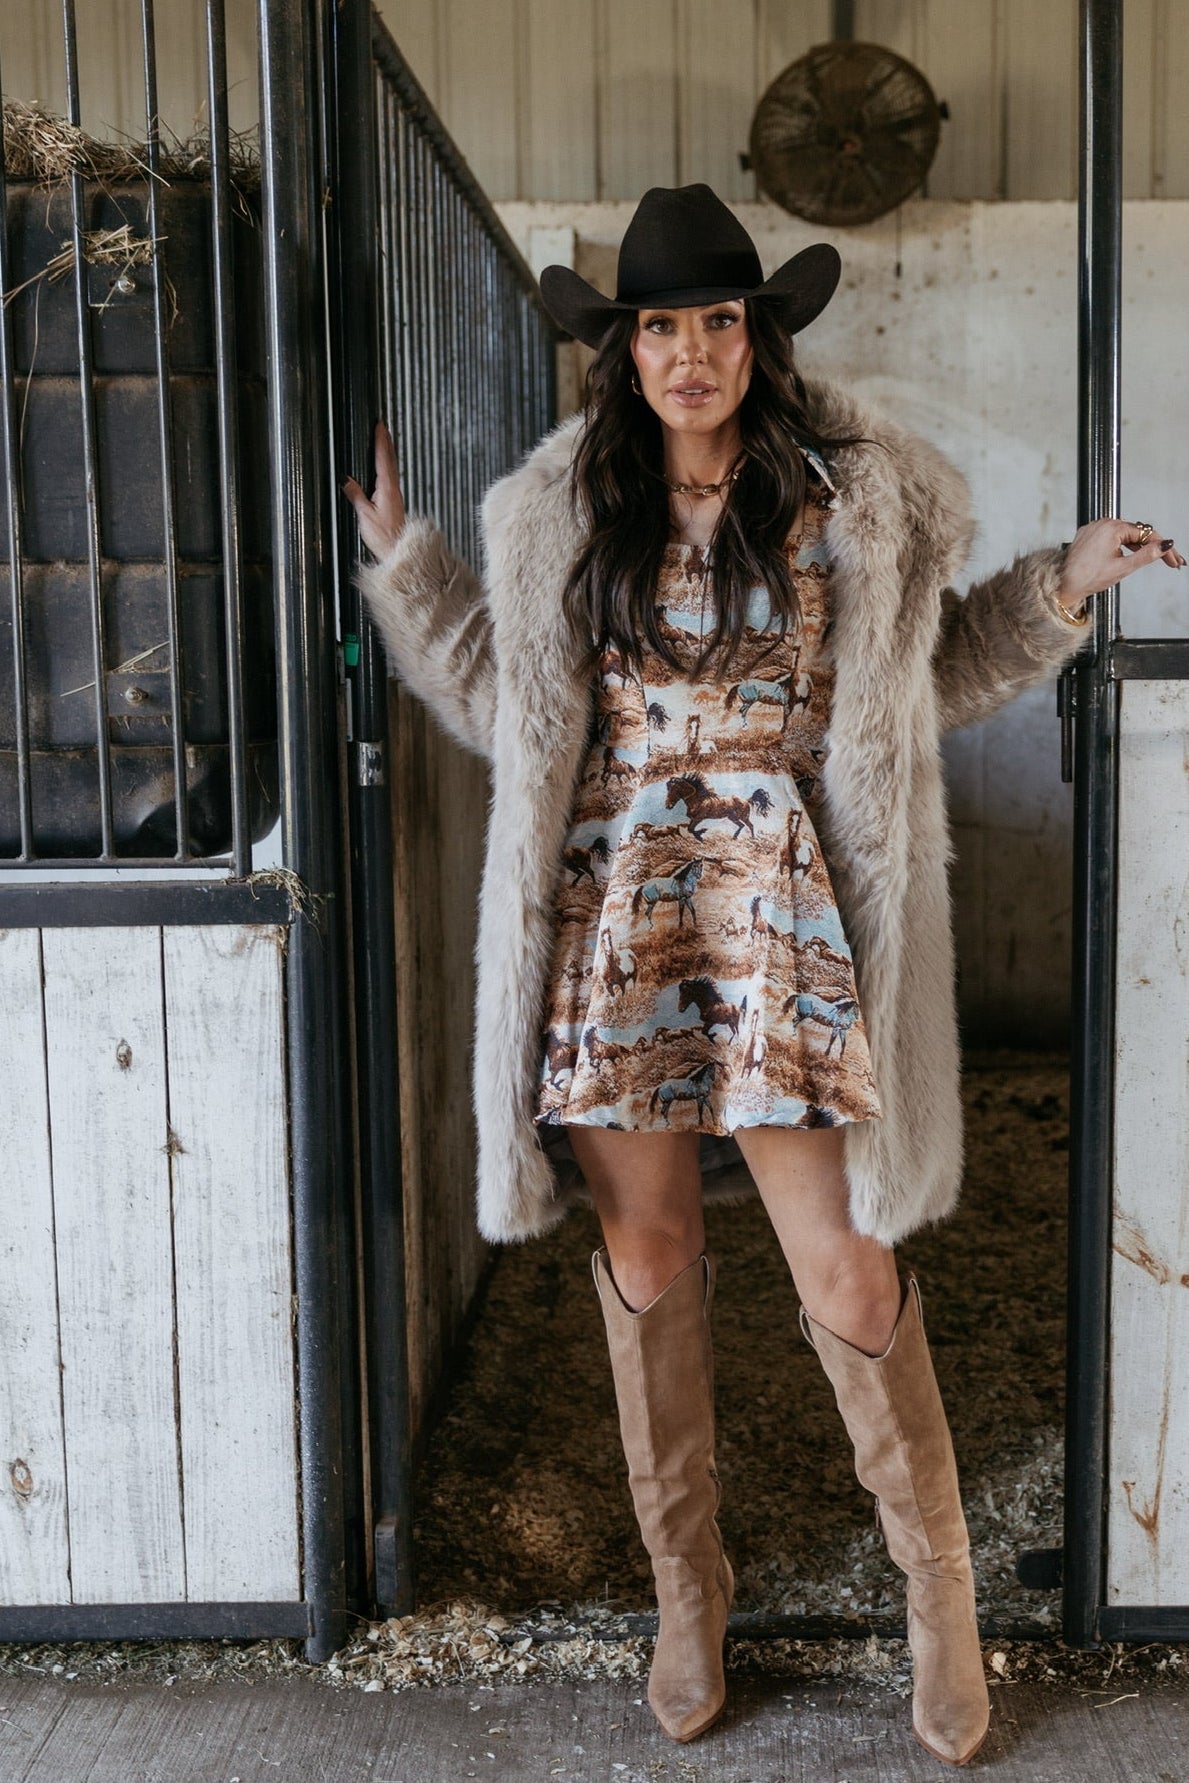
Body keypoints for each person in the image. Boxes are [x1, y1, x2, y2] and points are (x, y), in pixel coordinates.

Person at [344, 183, 1182, 1765]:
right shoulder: (561, 515)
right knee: (649, 1259)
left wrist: (1061, 585)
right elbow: (489, 694)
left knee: (845, 1269)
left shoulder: (849, 503)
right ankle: (687, 1590)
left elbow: (925, 681)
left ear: (757, 337)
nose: (687, 353)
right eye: (657, 325)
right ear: (622, 349)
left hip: (781, 924)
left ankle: (937, 1593)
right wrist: (406, 562)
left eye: (715, 321)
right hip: (613, 923)